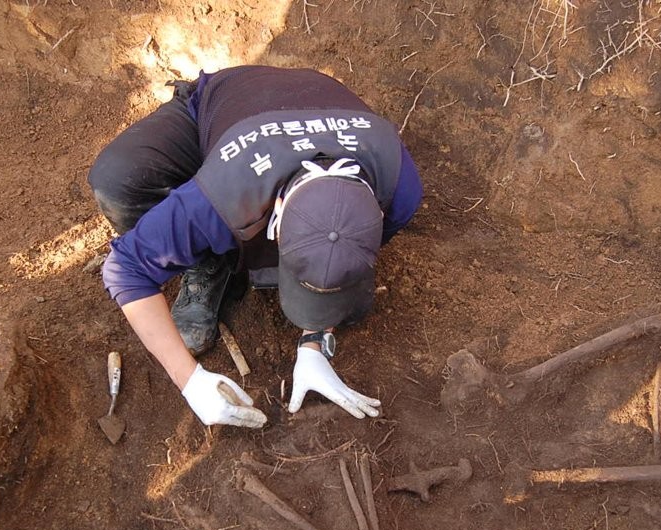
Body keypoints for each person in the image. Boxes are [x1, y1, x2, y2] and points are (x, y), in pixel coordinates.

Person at [89, 65, 422, 429]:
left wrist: (315, 341)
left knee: (354, 307)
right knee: (117, 180)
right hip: (225, 100)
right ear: (274, 216)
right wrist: (191, 381)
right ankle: (202, 260)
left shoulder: (399, 188)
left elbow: (339, 257)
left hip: (315, 96)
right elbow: (126, 268)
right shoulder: (223, 197)